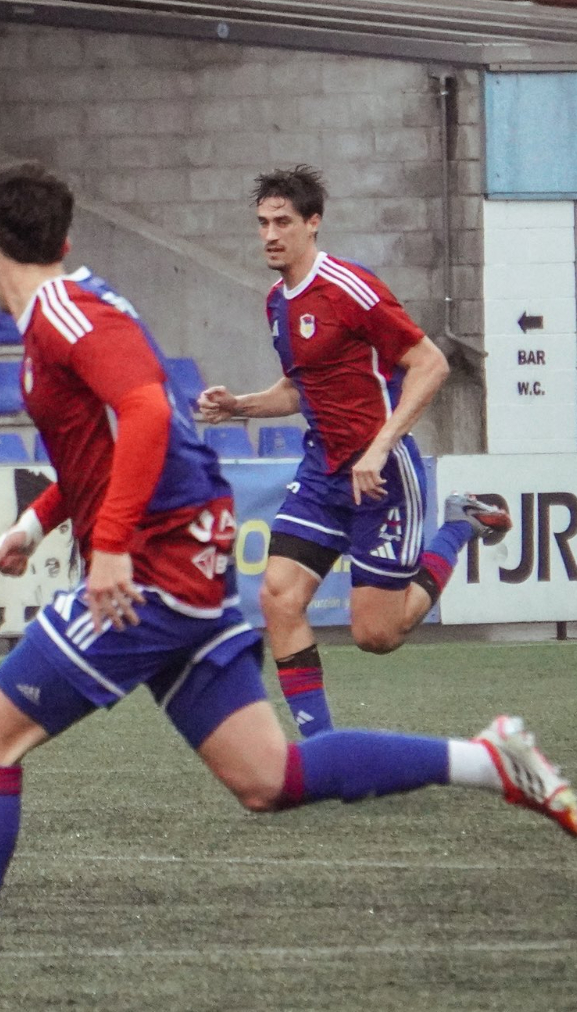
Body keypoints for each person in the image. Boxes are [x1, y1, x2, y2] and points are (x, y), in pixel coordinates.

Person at [0, 163, 577, 1010]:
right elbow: (110, 445)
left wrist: (110, 547)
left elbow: (153, 412)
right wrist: (38, 522)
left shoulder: (63, 313)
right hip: (182, 568)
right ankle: (493, 760)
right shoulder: (68, 309)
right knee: (268, 778)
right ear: (66, 238)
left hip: (154, 574)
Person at [196, 165, 512, 740]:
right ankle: (321, 751)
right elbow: (297, 389)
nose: (270, 233)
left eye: (283, 222)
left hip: (384, 474)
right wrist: (238, 403)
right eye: (263, 222)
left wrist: (379, 446)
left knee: (377, 635)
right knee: (277, 598)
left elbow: (430, 363)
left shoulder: (349, 288)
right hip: (323, 471)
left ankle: (458, 526)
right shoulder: (277, 302)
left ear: (313, 224)